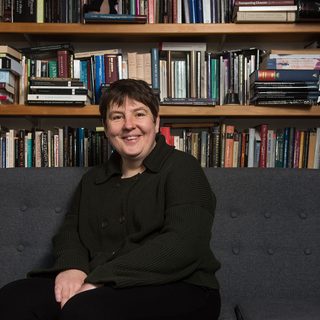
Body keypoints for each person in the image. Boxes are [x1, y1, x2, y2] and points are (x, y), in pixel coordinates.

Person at [0, 79, 221, 320]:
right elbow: (70, 232)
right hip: (104, 282)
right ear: (106, 128)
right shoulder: (94, 179)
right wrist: (73, 267)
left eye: (139, 114)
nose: (129, 126)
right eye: (117, 117)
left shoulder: (182, 168)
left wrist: (100, 280)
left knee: (85, 310)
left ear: (156, 122)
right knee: (14, 298)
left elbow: (184, 244)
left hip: (183, 286)